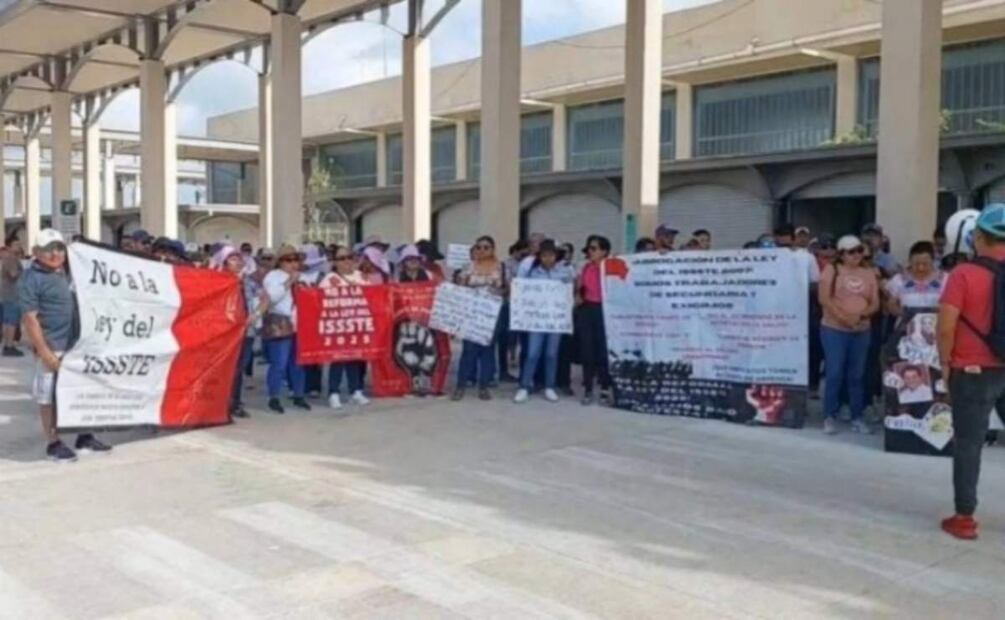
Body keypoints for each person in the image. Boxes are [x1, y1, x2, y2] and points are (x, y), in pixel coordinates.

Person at [937, 204, 1005, 540]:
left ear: (978, 237)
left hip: (972, 370)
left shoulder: (963, 275)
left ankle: (964, 517)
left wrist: (945, 363)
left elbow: (946, 324)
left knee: (969, 445)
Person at [19, 229, 111, 462]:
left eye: (59, 248)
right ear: (37, 252)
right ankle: (53, 442)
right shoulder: (31, 279)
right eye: (49, 249)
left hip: (77, 345)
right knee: (48, 396)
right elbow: (30, 319)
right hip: (53, 346)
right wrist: (44, 352)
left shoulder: (70, 272)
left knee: (79, 391)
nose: (55, 253)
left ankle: (84, 435)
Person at [818, 235, 880, 435]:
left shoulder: (868, 273)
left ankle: (857, 415)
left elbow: (875, 302)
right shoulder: (832, 270)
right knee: (834, 372)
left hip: (861, 329)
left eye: (859, 251)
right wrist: (844, 318)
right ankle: (829, 414)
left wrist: (862, 315)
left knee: (857, 375)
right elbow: (824, 298)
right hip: (834, 328)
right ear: (842, 254)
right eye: (851, 251)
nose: (856, 255)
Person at [514, 240, 575, 404]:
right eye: (544, 255)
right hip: (536, 320)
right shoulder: (532, 273)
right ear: (540, 256)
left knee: (551, 353)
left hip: (555, 320)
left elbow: (571, 292)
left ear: (556, 256)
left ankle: (550, 386)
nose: (548, 258)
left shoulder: (564, 272)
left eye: (551, 255)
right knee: (533, 353)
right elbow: (523, 293)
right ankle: (524, 386)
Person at [452, 235, 506, 401]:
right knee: (468, 350)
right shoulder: (467, 267)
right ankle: (461, 385)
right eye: (479, 247)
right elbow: (459, 288)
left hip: (492, 314)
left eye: (486, 247)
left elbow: (507, 289)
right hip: (472, 313)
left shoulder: (500, 267)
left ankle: (483, 386)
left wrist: (497, 292)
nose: (482, 250)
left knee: (487, 351)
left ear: (493, 249)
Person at [215, 246, 267, 419]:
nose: (237, 261)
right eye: (232, 258)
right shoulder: (217, 280)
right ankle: (219, 403)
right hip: (224, 333)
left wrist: (256, 314)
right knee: (223, 368)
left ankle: (234, 403)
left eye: (238, 258)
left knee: (238, 369)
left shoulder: (248, 282)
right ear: (224, 261)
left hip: (246, 331)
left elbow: (265, 298)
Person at [320, 246, 371, 409]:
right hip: (338, 324)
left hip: (357, 323)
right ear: (335, 262)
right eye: (341, 258)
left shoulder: (361, 276)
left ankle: (355, 390)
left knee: (355, 358)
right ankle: (333, 393)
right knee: (338, 359)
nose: (346, 261)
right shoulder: (329, 279)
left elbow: (372, 295)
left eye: (349, 257)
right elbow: (319, 299)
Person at [262, 244, 310, 414]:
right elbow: (272, 298)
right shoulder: (273, 276)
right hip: (281, 321)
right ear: (280, 262)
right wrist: (289, 282)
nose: (293, 263)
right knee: (279, 363)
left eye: (295, 259)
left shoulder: (304, 277)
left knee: (298, 363)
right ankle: (274, 396)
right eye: (288, 260)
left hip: (300, 323)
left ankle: (298, 395)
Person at [577, 235, 612, 405]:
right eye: (589, 248)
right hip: (587, 308)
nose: (590, 252)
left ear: (604, 251)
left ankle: (605, 387)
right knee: (587, 349)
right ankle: (588, 387)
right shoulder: (586, 268)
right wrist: (578, 294)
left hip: (604, 310)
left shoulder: (610, 268)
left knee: (603, 350)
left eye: (594, 248)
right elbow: (580, 288)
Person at [886, 241, 945, 315]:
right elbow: (891, 304)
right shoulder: (899, 279)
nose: (921, 268)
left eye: (925, 264)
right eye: (916, 264)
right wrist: (903, 313)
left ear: (933, 261)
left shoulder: (945, 279)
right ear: (910, 261)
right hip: (906, 324)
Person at [1, 238, 24, 357]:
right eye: (16, 244)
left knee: (6, 321)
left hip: (7, 294)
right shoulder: (11, 258)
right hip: (12, 294)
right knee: (11, 322)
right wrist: (24, 272)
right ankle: (9, 346)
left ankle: (7, 345)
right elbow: (13, 274)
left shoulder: (9, 257)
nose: (19, 246)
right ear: (9, 246)